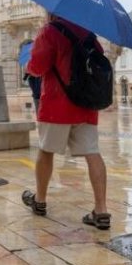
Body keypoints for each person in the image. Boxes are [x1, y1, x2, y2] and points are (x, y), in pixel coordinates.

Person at [21, 14, 111, 230]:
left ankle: (40, 200)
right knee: (93, 153)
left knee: (46, 151)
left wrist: (28, 66)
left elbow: (38, 67)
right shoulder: (89, 35)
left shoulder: (50, 31)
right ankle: (101, 210)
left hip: (56, 105)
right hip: (86, 106)